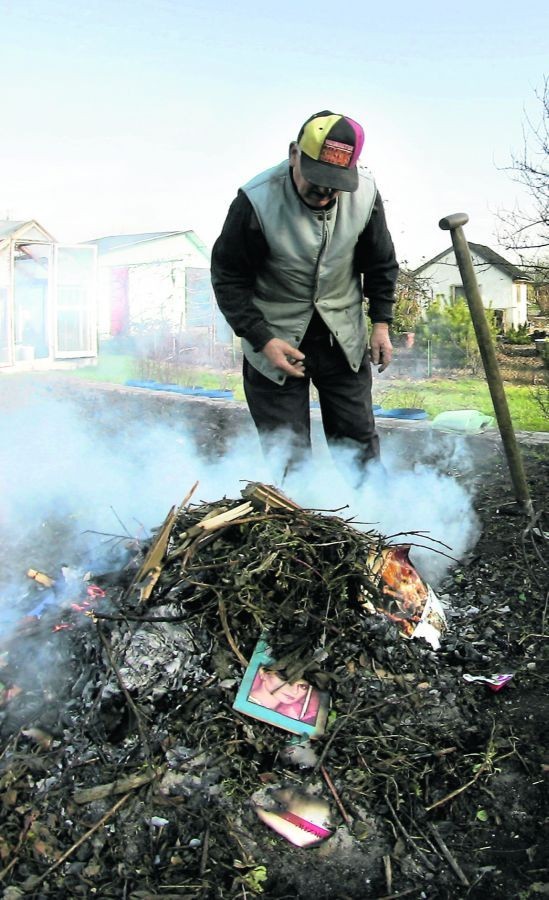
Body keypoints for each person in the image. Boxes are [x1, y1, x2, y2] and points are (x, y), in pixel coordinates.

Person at [211, 110, 399, 481]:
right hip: (275, 341)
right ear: (294, 152)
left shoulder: (366, 195)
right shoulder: (255, 201)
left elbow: (380, 263)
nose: (325, 193)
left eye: (335, 184)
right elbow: (228, 278)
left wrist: (381, 323)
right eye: (317, 180)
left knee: (359, 446)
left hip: (341, 338)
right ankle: (297, 532)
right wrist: (261, 339)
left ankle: (379, 527)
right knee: (288, 457)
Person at [248, 667, 320, 724]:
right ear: (263, 672)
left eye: (303, 686)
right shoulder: (248, 704)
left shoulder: (291, 717)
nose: (294, 691)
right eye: (285, 678)